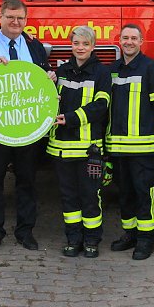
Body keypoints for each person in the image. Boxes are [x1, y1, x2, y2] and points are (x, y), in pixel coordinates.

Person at [0, 0, 56, 253]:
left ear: (25, 21)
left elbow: (44, 75)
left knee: (27, 179)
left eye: (20, 19)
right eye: (10, 18)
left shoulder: (33, 45)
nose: (16, 23)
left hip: (27, 127)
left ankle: (25, 231)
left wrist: (50, 76)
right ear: (0, 18)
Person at [106, 24, 154, 260]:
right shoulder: (112, 70)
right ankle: (130, 234)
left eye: (134, 38)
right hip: (117, 148)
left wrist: (149, 129)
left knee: (145, 194)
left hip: (143, 148)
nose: (129, 42)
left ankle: (146, 240)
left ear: (141, 41)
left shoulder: (151, 68)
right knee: (125, 194)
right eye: (125, 38)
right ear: (119, 41)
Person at [46, 26, 111, 258]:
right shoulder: (61, 71)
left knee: (91, 196)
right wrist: (46, 82)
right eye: (76, 43)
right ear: (71, 45)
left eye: (85, 44)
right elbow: (48, 101)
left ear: (93, 46)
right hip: (62, 150)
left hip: (88, 150)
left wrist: (71, 119)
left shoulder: (102, 74)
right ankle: (73, 240)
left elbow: (101, 106)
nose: (80, 48)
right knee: (69, 198)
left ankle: (92, 241)